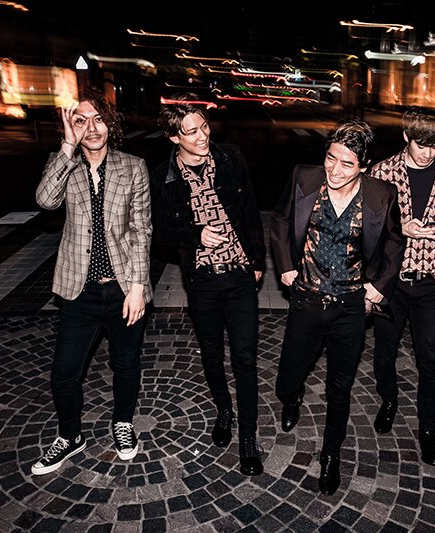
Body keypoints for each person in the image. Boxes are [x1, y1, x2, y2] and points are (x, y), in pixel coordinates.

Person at [270, 121, 404, 495]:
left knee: (339, 388)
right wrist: (285, 264)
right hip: (306, 299)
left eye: (347, 163)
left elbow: (394, 243)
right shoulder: (304, 178)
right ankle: (292, 397)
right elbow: (280, 219)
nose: (335, 169)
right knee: (286, 380)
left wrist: (379, 286)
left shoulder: (381, 194)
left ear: (364, 165)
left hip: (350, 306)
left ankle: (331, 455)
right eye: (331, 158)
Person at [32, 87, 152, 475]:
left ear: (110, 124)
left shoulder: (132, 166)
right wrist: (68, 146)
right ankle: (70, 436)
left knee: (126, 362)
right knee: (64, 372)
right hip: (78, 289)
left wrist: (137, 287)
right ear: (72, 127)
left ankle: (123, 423)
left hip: (122, 286)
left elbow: (141, 229)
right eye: (81, 121)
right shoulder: (64, 164)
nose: (92, 128)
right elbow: (46, 201)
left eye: (98, 119)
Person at [149, 93, 266, 476]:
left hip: (239, 274)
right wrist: (196, 235)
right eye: (192, 132)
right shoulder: (163, 176)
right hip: (202, 281)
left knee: (245, 358)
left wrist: (258, 261)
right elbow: (160, 232)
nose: (203, 136)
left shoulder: (230, 157)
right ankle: (224, 410)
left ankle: (248, 437)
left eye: (204, 127)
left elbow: (250, 209)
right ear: (174, 138)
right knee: (212, 354)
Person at [369, 106, 435, 466]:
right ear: (406, 137)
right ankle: (389, 400)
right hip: (391, 281)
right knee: (384, 351)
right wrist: (401, 228)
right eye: (421, 144)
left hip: (431, 281)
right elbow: (368, 232)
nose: (428, 153)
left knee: (430, 358)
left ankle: (428, 429)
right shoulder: (382, 172)